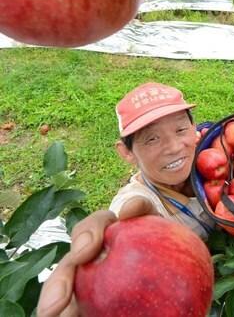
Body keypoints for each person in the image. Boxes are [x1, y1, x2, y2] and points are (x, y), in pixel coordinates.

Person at [37, 82, 214, 317]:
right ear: (126, 152)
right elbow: (120, 224)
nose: (174, 147)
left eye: (181, 130)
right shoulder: (137, 202)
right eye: (152, 139)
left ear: (195, 129)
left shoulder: (215, 160)